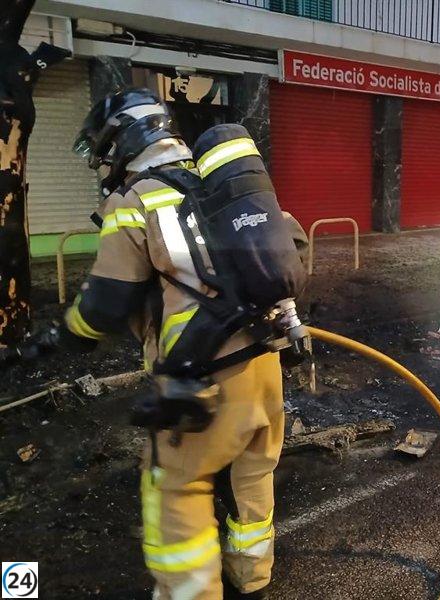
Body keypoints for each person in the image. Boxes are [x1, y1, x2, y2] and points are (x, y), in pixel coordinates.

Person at [64, 88, 308, 599]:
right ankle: (253, 578)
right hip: (264, 364)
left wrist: (66, 334)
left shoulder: (135, 201)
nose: (104, 163)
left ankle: (191, 593)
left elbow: (105, 305)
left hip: (202, 378)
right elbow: (292, 243)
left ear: (124, 140)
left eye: (104, 150)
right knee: (252, 478)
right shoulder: (227, 184)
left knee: (177, 493)